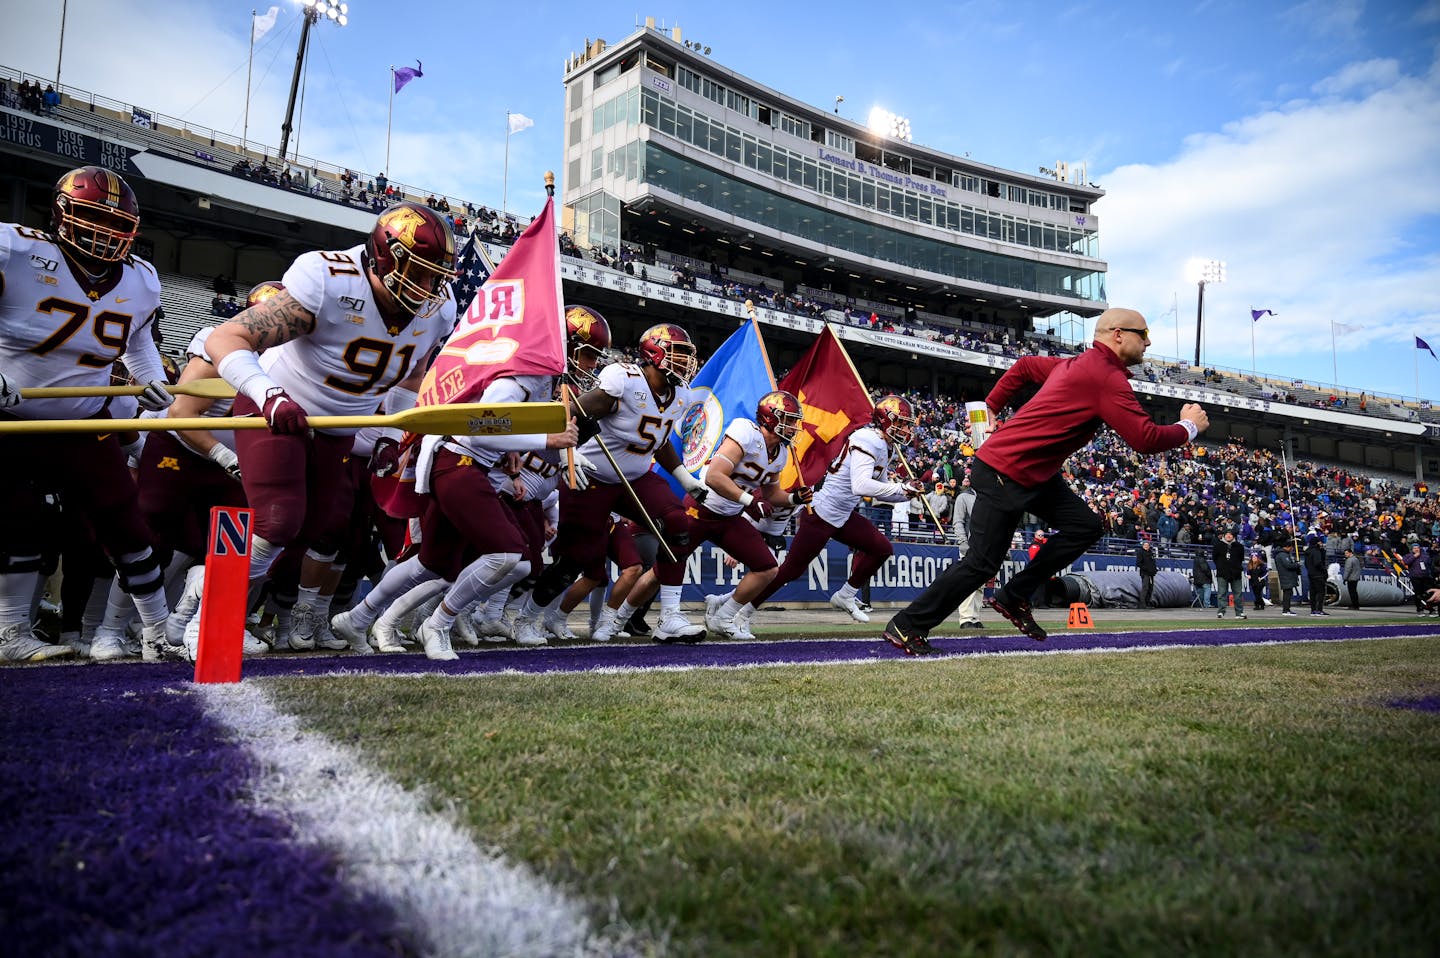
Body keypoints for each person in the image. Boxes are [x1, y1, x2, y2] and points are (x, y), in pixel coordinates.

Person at [175, 202, 460, 646]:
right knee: (278, 522)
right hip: (277, 412)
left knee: (307, 533)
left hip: (338, 428)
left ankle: (205, 581)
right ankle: (203, 624)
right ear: (387, 257)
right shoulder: (328, 279)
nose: (429, 288)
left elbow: (413, 372)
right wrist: (269, 394)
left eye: (436, 276)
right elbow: (224, 337)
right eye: (419, 273)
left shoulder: (437, 310)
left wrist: (386, 434)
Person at [882, 308, 1208, 654]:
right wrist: (1189, 425)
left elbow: (1023, 367)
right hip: (1005, 471)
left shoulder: (1079, 366)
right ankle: (907, 625)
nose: (1148, 341)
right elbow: (1146, 440)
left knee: (1084, 525)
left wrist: (992, 406)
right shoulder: (1104, 376)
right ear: (1117, 334)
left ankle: (1014, 594)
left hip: (1030, 473)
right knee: (981, 564)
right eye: (1143, 333)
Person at [0, 166, 177, 661]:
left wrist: (151, 380)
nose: (105, 233)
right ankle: (9, 633)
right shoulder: (16, 249)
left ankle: (159, 634)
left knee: (127, 522)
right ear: (61, 212)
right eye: (93, 218)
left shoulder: (141, 279)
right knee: (17, 522)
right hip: (11, 417)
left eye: (118, 225)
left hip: (83, 418)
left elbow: (138, 340)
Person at [517, 322, 706, 643]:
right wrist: (568, 454)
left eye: (687, 356)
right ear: (654, 352)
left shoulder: (681, 396)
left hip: (634, 476)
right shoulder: (625, 380)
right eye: (677, 354)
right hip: (593, 476)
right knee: (577, 559)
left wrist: (684, 478)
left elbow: (658, 441)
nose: (684, 362)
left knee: (677, 521)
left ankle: (670, 617)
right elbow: (572, 412)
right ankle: (527, 618)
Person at [745, 394, 925, 628]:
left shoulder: (886, 447)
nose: (905, 429)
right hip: (822, 513)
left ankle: (846, 595)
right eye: (900, 423)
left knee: (881, 548)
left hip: (843, 513)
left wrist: (907, 492)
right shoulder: (867, 439)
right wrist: (900, 486)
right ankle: (742, 611)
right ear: (884, 420)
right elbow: (860, 485)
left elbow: (878, 490)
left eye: (906, 424)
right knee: (791, 570)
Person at [949, 475, 984, 628]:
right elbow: (958, 521)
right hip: (970, 545)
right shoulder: (964, 497)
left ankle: (975, 617)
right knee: (968, 580)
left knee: (980, 583)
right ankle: (966, 618)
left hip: (985, 546)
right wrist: (963, 541)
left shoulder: (988, 498)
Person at [1212, 530, 1246, 619]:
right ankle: (1221, 612)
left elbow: (1241, 559)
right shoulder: (1218, 546)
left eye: (1230, 534)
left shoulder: (1239, 546)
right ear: (1224, 536)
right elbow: (1214, 558)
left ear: (1233, 536)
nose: (1228, 536)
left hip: (1236, 573)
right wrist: (1220, 566)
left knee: (1238, 594)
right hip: (1222, 573)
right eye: (1227, 534)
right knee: (1222, 593)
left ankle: (1239, 612)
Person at [1403, 544, 1434, 616]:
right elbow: (1406, 562)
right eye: (1414, 548)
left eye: (1417, 548)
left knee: (1428, 593)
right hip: (1415, 577)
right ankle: (1420, 609)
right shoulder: (1408, 556)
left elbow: (1429, 564)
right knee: (1418, 594)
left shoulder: (1425, 555)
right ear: (1412, 549)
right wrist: (1414, 556)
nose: (1416, 549)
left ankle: (1430, 609)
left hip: (1426, 577)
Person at [1274, 539, 1301, 616]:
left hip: (1286, 576)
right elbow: (1288, 565)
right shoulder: (1283, 555)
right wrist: (1297, 565)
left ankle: (1286, 609)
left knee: (1288, 593)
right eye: (1291, 547)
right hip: (1286, 576)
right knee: (1287, 594)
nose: (1292, 548)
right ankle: (1286, 610)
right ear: (1287, 547)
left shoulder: (1283, 554)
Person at [1304, 535, 1330, 616]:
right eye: (1320, 542)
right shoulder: (1316, 551)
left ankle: (1313, 610)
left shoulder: (1308, 551)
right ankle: (1319, 610)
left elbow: (1306, 563)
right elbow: (1318, 562)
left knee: (1313, 593)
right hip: (1318, 574)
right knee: (1321, 592)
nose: (1321, 544)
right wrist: (1324, 570)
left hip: (1311, 574)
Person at [1136, 539, 1157, 609]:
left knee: (1150, 588)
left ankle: (1147, 603)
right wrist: (1147, 569)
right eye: (1145, 545)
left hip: (1151, 574)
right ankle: (1142, 604)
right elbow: (1138, 564)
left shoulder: (1151, 553)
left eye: (1147, 545)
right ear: (1143, 546)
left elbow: (1153, 563)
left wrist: (1154, 570)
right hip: (1145, 573)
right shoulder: (1140, 552)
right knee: (1145, 588)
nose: (1146, 546)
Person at [1343, 547, 1362, 611]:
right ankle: (1356, 605)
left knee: (1352, 592)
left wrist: (1345, 578)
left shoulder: (1349, 560)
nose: (1345, 554)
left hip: (1351, 578)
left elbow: (1347, 570)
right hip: (1356, 577)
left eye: (1346, 553)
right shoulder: (1356, 559)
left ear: (1350, 553)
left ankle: (1355, 605)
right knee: (1354, 592)